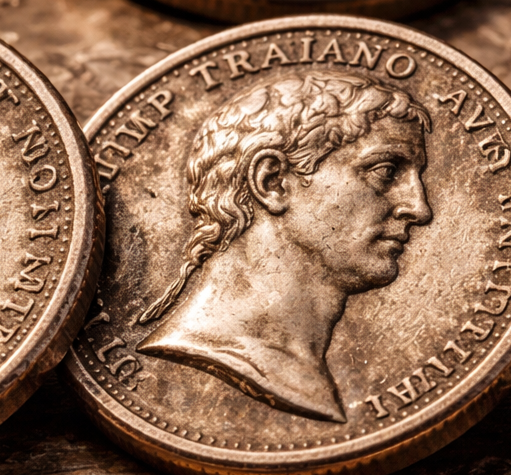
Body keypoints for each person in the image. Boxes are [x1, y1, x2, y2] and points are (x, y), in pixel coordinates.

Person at [136, 70, 433, 423]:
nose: (419, 209)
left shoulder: (298, 365)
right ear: (272, 182)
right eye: (385, 172)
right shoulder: (214, 354)